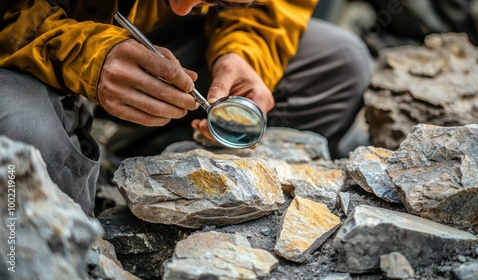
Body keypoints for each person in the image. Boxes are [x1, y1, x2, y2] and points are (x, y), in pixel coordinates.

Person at [0, 0, 370, 216]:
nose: (182, 7)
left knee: (340, 62)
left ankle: (142, 156)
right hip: (19, 40)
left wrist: (242, 51)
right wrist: (80, 54)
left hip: (142, 26)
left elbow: (276, 9)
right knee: (25, 140)